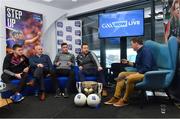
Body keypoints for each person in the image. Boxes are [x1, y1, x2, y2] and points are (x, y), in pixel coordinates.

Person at [104, 38, 157, 107]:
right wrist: (128, 62)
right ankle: (116, 97)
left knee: (129, 78)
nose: (131, 46)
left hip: (147, 74)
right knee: (122, 74)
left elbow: (147, 67)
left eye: (132, 44)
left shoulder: (145, 51)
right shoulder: (139, 52)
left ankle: (125, 100)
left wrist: (136, 74)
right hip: (141, 72)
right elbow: (137, 65)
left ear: (136, 43)